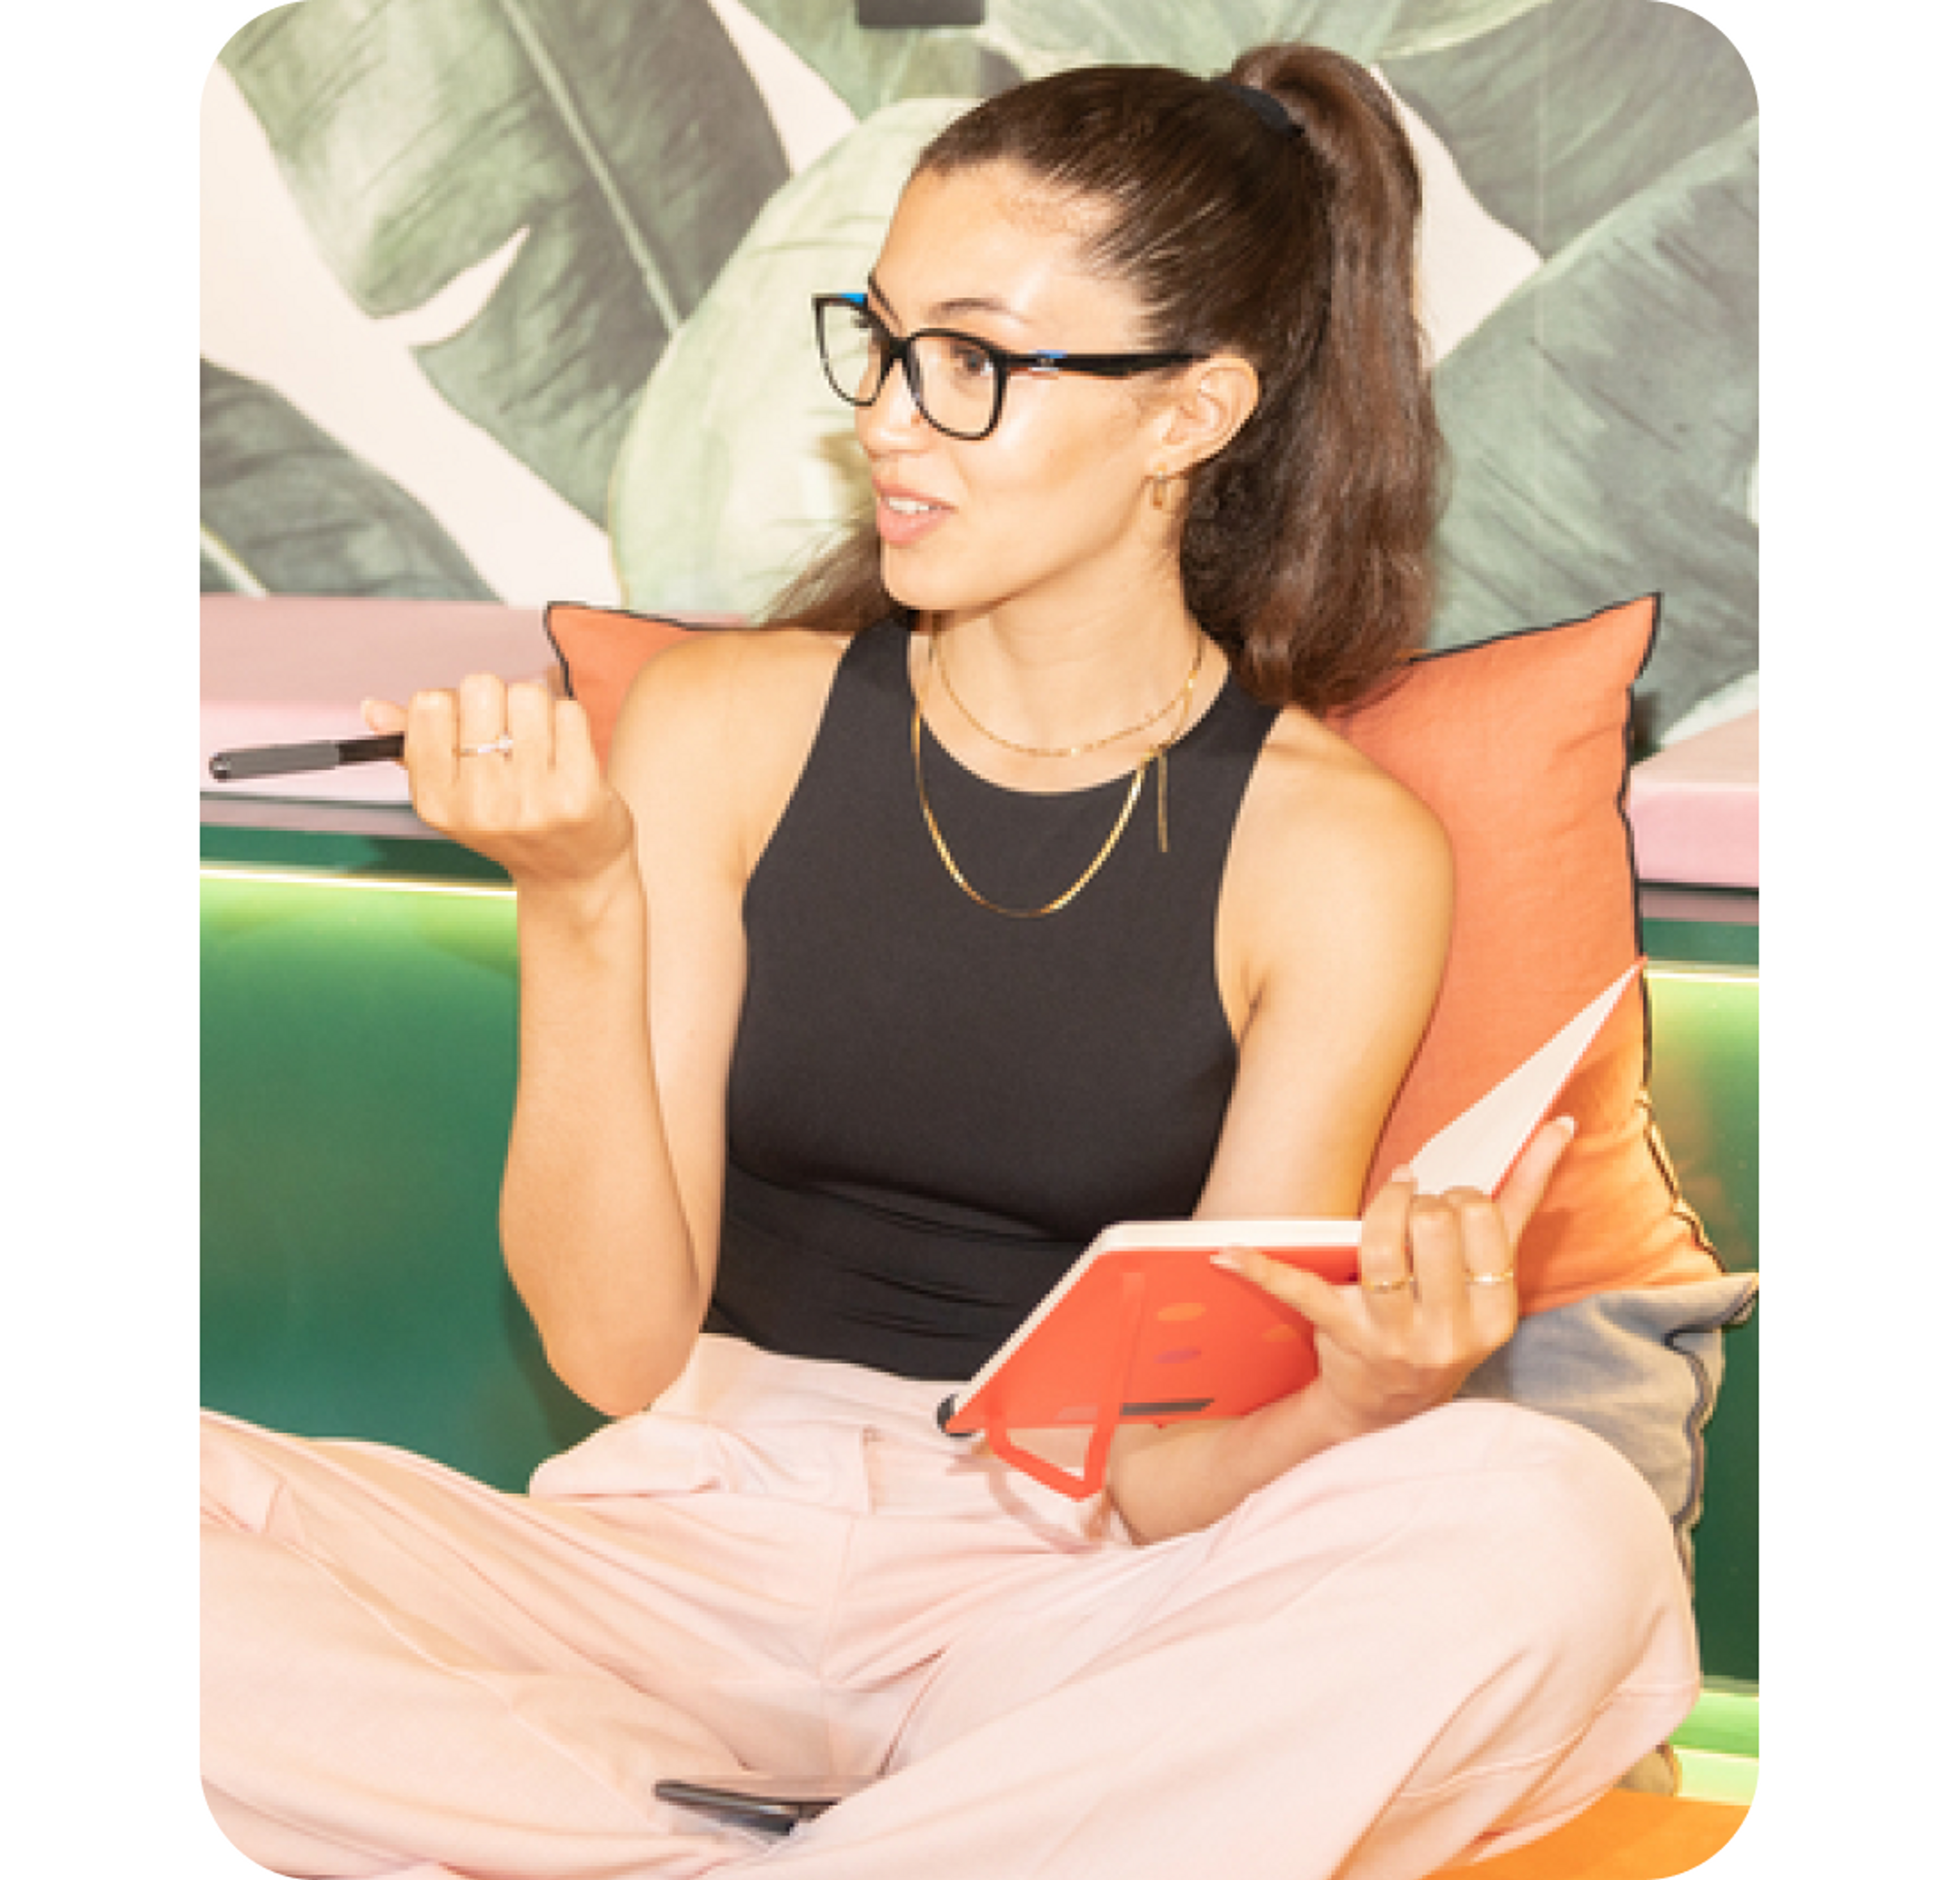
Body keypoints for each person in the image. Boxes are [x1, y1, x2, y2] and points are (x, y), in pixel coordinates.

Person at [202, 44, 1701, 1879]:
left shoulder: (1336, 852)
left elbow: (1160, 1480)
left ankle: (750, 1844)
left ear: (1191, 414)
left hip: (1049, 1613)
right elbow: (611, 1353)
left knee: (1561, 1532)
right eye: (884, 339)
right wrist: (582, 895)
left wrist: (1369, 1393)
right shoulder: (723, 729)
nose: (892, 420)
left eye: (974, 363)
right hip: (664, 1554)